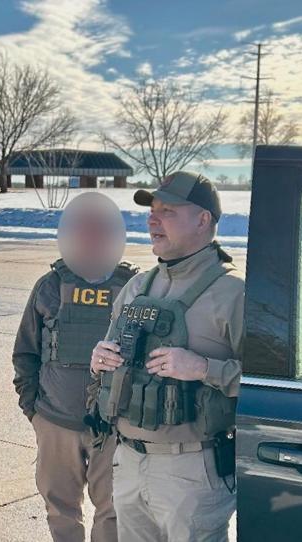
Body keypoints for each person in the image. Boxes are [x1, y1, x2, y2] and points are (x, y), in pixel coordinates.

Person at [87, 172, 243, 542]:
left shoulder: (234, 293)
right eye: (152, 211)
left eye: (168, 211)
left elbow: (270, 388)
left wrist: (203, 368)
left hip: (192, 469)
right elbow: (107, 362)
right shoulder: (136, 287)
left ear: (203, 220)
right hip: (128, 460)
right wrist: (99, 360)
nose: (152, 220)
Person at [13, 192, 138, 542]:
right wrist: (34, 412)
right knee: (59, 507)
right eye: (83, 231)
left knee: (112, 510)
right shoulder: (50, 286)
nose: (91, 239)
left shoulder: (132, 288)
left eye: (99, 231)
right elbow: (25, 353)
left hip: (112, 427)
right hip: (56, 422)